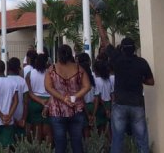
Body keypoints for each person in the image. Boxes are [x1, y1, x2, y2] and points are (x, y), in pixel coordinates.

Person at [96, 14, 154, 153]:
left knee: (117, 139)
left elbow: (105, 41)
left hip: (120, 104)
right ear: (134, 49)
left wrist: (99, 22)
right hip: (137, 104)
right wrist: (140, 79)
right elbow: (151, 82)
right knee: (141, 140)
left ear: (122, 48)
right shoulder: (141, 62)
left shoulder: (117, 59)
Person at [44, 45, 91, 153]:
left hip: (57, 111)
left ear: (58, 55)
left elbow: (48, 87)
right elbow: (87, 86)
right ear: (71, 54)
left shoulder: (52, 69)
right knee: (77, 141)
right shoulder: (79, 68)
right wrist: (74, 97)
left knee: (60, 143)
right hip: (76, 109)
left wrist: (63, 98)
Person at [26, 53, 51, 144]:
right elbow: (54, 91)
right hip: (48, 102)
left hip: (34, 102)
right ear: (46, 62)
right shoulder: (50, 73)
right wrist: (46, 104)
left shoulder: (29, 74)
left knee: (37, 131)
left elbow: (29, 92)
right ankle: (48, 150)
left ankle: (38, 149)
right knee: (48, 131)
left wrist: (40, 101)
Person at [6, 57, 28, 138]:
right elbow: (26, 102)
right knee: (20, 141)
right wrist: (23, 119)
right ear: (19, 68)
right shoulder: (22, 81)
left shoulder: (5, 80)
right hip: (20, 115)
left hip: (7, 115)